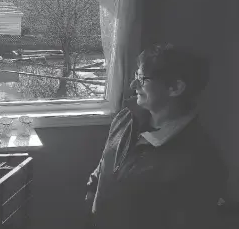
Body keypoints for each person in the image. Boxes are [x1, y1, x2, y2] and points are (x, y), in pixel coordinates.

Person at [85, 44, 227, 229]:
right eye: (136, 76)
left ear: (175, 87)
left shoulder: (200, 160)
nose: (133, 84)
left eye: (143, 79)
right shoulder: (126, 117)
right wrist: (92, 189)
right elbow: (106, 162)